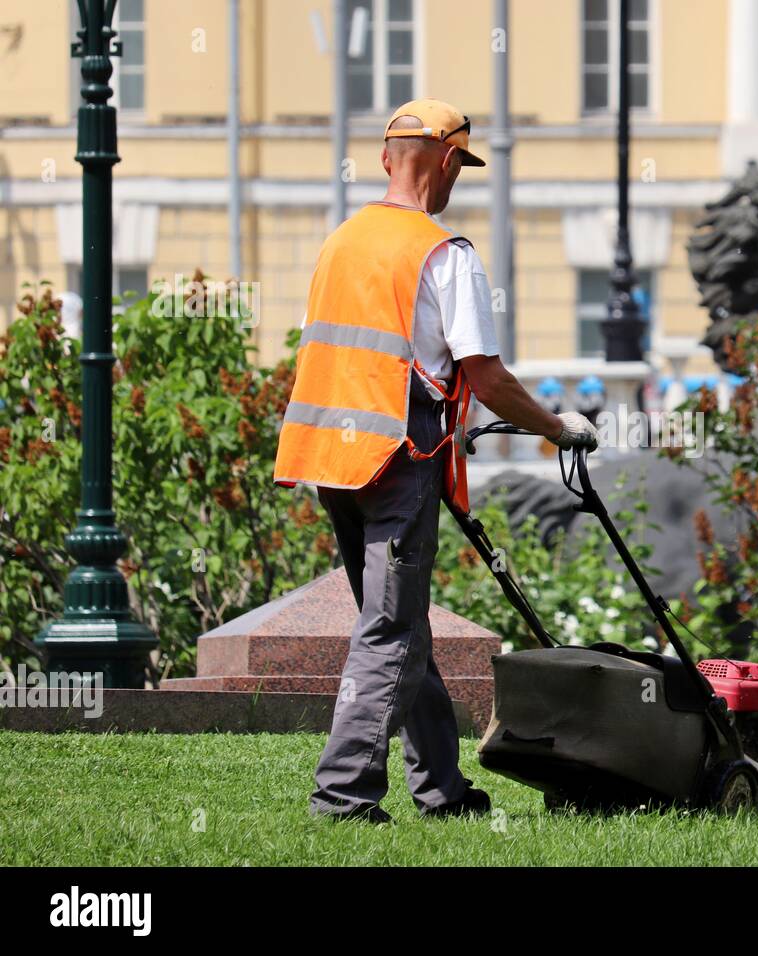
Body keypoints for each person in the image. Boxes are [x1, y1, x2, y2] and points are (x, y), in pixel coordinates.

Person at [273, 99, 599, 823]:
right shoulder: (443, 254)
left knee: (401, 622)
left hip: (332, 455)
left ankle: (442, 792)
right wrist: (557, 427)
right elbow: (486, 378)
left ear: (388, 158)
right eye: (462, 168)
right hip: (398, 454)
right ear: (449, 162)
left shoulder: (342, 242)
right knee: (389, 630)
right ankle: (343, 797)